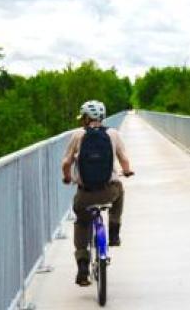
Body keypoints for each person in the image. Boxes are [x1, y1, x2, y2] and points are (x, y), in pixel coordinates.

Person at [60, 99, 134, 286]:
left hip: (85, 195)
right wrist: (126, 171)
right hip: (108, 190)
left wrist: (67, 177)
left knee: (82, 222)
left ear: (86, 118)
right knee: (120, 190)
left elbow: (66, 163)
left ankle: (83, 266)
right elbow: (124, 160)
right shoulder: (113, 134)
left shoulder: (78, 135)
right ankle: (114, 231)